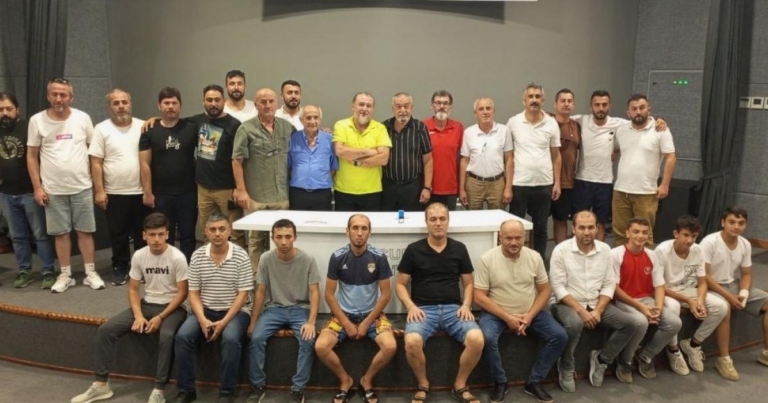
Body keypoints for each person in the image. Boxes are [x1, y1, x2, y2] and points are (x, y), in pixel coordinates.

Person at [71, 213, 188, 403]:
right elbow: (133, 290)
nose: (156, 239)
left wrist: (160, 317)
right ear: (144, 235)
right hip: (147, 304)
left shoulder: (178, 257)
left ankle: (159, 389)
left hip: (173, 308)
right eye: (152, 234)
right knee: (106, 330)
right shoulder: (139, 255)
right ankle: (101, 385)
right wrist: (139, 316)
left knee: (166, 336)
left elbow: (183, 293)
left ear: (167, 234)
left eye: (160, 234)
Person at [395, 202, 484, 403]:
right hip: (422, 310)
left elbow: (469, 283)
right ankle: (423, 384)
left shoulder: (459, 248)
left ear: (448, 221)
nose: (438, 223)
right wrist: (410, 306)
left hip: (454, 309)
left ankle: (460, 384)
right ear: (426, 222)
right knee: (412, 341)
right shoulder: (413, 250)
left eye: (442, 219)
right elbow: (399, 284)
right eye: (433, 219)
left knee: (477, 339)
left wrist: (466, 305)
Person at [549, 210, 644, 391]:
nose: (586, 232)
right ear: (573, 229)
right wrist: (581, 311)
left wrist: (598, 310)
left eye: (590, 227)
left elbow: (609, 284)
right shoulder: (560, 250)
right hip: (565, 303)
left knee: (631, 324)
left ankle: (602, 359)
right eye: (581, 228)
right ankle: (566, 364)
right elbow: (558, 287)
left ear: (597, 228)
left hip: (595, 302)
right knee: (575, 324)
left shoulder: (605, 250)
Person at [474, 220, 567, 403]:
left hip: (530, 312)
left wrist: (530, 315)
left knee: (560, 336)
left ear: (524, 237)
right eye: (509, 238)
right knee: (487, 338)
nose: (514, 242)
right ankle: (500, 382)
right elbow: (479, 297)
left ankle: (535, 381)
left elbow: (545, 290)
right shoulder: (487, 259)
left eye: (518, 238)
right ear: (500, 238)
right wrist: (507, 317)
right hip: (496, 314)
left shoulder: (534, 257)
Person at [27, 77, 105, 293]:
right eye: (54, 94)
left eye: (63, 94)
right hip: (53, 190)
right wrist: (37, 188)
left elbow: (94, 153)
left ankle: (90, 273)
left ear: (71, 97)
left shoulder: (83, 118)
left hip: (82, 187)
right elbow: (31, 156)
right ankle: (65, 275)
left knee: (85, 231)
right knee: (60, 233)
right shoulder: (37, 120)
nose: (58, 98)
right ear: (48, 96)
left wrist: (98, 186)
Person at [315, 214, 395, 403]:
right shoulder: (337, 257)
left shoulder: (379, 257)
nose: (359, 233)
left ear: (370, 232)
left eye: (364, 228)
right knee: (320, 346)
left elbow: (386, 295)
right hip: (343, 315)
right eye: (355, 228)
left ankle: (367, 380)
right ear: (347, 231)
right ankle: (345, 380)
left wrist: (366, 323)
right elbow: (329, 295)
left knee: (390, 346)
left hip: (372, 315)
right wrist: (346, 323)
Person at [173, 212, 253, 403]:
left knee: (231, 338)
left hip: (236, 311)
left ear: (229, 231)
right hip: (205, 309)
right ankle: (186, 390)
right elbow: (193, 293)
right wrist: (202, 319)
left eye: (222, 229)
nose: (218, 233)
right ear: (205, 232)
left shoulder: (241, 255)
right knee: (183, 336)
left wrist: (224, 322)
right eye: (213, 229)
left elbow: (243, 295)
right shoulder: (197, 255)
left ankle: (226, 392)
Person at [570, 90, 666, 241]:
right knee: (579, 221)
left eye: (604, 105)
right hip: (582, 180)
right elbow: (560, 118)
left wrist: (660, 120)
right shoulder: (580, 120)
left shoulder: (620, 124)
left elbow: (641, 121)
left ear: (610, 106)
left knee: (601, 223)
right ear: (591, 107)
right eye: (597, 105)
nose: (601, 108)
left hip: (606, 182)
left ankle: (599, 252)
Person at [246, 219, 320, 403]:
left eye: (288, 236)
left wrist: (311, 322)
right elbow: (260, 291)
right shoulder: (266, 258)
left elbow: (314, 292)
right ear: (273, 238)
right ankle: (257, 385)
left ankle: (298, 389)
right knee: (256, 338)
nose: (284, 241)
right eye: (279, 237)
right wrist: (253, 322)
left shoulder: (308, 259)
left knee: (307, 339)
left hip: (300, 308)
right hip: (274, 309)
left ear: (295, 237)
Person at [89, 88, 149, 285]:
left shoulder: (144, 126)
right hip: (114, 192)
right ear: (109, 107)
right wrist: (99, 190)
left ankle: (140, 268)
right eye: (116, 103)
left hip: (140, 191)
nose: (121, 106)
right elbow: (96, 162)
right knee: (118, 234)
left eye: (124, 102)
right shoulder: (101, 129)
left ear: (130, 104)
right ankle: (120, 266)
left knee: (141, 234)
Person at [656, 215, 730, 376]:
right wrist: (689, 301)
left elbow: (702, 282)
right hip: (666, 291)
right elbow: (658, 286)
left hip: (689, 290)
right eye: (686, 235)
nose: (689, 240)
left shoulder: (698, 251)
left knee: (721, 307)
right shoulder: (662, 250)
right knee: (673, 307)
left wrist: (700, 301)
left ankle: (694, 344)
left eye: (694, 236)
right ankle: (673, 349)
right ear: (676, 234)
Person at [702, 206, 768, 380]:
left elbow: (746, 274)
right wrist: (729, 297)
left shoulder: (745, 244)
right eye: (732, 222)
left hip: (733, 285)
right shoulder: (709, 242)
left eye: (741, 223)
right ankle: (724, 360)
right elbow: (704, 276)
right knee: (725, 309)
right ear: (723, 223)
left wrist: (744, 294)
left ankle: (766, 353)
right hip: (710, 287)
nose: (736, 226)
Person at [612, 217, 682, 380]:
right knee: (641, 322)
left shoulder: (652, 255)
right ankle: (625, 360)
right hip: (623, 301)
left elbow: (659, 286)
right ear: (627, 233)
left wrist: (658, 308)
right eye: (636, 232)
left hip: (646, 300)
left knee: (674, 323)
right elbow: (614, 289)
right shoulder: (615, 254)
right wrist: (640, 308)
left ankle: (645, 356)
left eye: (644, 232)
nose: (640, 236)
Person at [233, 87, 293, 271]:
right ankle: (255, 278)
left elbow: (305, 139)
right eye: (263, 102)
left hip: (281, 196)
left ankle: (278, 276)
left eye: (271, 101)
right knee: (256, 240)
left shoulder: (287, 127)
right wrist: (241, 190)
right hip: (256, 197)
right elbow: (236, 160)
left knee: (281, 240)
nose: (268, 105)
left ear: (277, 103)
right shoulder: (246, 128)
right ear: (256, 105)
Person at [0, 92, 55, 288]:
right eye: (1, 110)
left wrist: (39, 187)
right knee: (17, 237)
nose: (5, 113)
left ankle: (48, 271)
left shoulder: (28, 128)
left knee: (40, 235)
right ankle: (24, 271)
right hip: (6, 194)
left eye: (9, 108)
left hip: (30, 192)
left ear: (18, 110)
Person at [139, 87, 198, 262]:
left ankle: (187, 269)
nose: (170, 106)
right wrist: (147, 192)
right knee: (165, 234)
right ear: (159, 106)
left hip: (188, 192)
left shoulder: (191, 127)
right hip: (161, 194)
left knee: (188, 235)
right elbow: (144, 163)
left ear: (180, 106)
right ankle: (168, 267)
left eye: (174, 103)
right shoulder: (149, 130)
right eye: (166, 103)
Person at [612, 94, 676, 246]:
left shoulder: (661, 130)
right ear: (628, 113)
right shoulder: (621, 130)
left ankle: (644, 262)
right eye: (634, 109)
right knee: (620, 233)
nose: (638, 112)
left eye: (642, 108)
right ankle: (621, 261)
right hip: (620, 191)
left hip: (646, 193)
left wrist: (665, 185)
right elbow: (617, 149)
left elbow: (670, 157)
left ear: (649, 109)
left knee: (644, 235)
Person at [507, 83, 561, 259]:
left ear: (543, 100)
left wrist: (557, 183)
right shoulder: (513, 122)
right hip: (520, 184)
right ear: (524, 100)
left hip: (544, 184)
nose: (534, 100)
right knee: (515, 228)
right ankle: (515, 261)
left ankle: (538, 263)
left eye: (538, 97)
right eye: (530, 96)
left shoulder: (551, 123)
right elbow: (509, 157)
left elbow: (556, 156)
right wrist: (508, 186)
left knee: (541, 228)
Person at [193, 84, 244, 248]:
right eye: (209, 100)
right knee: (207, 231)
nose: (213, 104)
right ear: (203, 101)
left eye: (217, 100)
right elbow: (173, 122)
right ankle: (211, 262)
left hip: (227, 189)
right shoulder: (197, 121)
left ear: (224, 101)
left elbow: (240, 159)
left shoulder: (234, 125)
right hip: (203, 189)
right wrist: (154, 120)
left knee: (234, 232)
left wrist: (239, 188)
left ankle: (237, 262)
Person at [332, 92, 392, 211]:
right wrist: (369, 152)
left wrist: (357, 162)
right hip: (343, 191)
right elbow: (340, 151)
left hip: (372, 191)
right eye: (361, 104)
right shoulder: (341, 125)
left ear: (372, 109)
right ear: (353, 106)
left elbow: (384, 159)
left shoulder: (380, 128)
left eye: (368, 106)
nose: (364, 109)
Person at [458, 97, 513, 211]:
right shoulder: (468, 133)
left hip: (497, 183)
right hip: (473, 183)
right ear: (475, 114)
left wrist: (508, 187)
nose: (485, 112)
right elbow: (464, 161)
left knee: (498, 218)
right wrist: (461, 189)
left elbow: (509, 159)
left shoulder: (504, 131)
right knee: (473, 218)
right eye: (481, 109)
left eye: (488, 108)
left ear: (494, 111)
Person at [381, 92, 433, 211]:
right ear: (393, 109)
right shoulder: (383, 127)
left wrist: (427, 188)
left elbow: (428, 160)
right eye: (398, 106)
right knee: (387, 219)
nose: (403, 110)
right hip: (388, 187)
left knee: (412, 219)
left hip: (413, 187)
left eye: (406, 106)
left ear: (412, 108)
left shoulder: (420, 128)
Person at [288, 105, 338, 211]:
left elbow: (333, 167)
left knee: (322, 221)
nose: (312, 121)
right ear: (301, 120)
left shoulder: (329, 139)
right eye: (308, 117)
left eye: (316, 117)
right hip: (298, 193)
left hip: (322, 193)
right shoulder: (293, 138)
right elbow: (289, 167)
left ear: (320, 120)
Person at [549, 89, 581, 245]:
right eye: (562, 101)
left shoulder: (577, 126)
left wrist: (614, 151)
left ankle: (560, 254)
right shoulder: (546, 122)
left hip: (567, 182)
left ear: (573, 105)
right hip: (544, 180)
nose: (566, 104)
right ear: (555, 104)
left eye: (569, 101)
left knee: (561, 220)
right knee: (538, 221)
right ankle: (535, 255)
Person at [424, 90, 464, 210]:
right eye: (438, 103)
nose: (441, 106)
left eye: (445, 103)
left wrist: (461, 188)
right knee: (429, 219)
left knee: (449, 220)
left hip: (451, 188)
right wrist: (425, 187)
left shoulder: (458, 127)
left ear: (451, 106)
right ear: (431, 106)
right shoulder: (423, 126)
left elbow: (462, 159)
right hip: (428, 188)